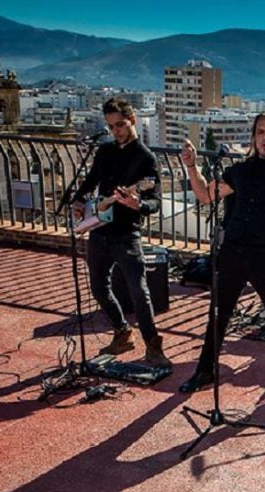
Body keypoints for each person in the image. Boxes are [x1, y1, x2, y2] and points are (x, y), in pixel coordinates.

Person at [177, 110, 265, 406]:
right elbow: (206, 196)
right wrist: (191, 167)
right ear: (254, 138)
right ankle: (204, 371)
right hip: (233, 251)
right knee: (218, 316)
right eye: (260, 132)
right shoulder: (241, 170)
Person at [71, 97, 171, 368]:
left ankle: (153, 345)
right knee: (98, 287)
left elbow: (155, 201)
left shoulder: (146, 159)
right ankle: (121, 331)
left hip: (127, 232)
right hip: (99, 229)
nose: (116, 131)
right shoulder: (105, 152)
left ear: (133, 120)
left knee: (139, 291)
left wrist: (137, 203)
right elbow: (91, 180)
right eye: (111, 126)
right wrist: (80, 200)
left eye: (120, 125)